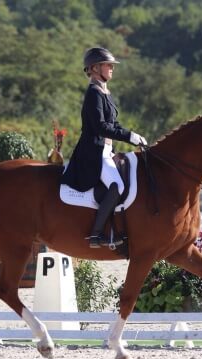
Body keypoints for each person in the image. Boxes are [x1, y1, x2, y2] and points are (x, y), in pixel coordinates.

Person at [61, 47, 148, 248]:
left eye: (111, 65)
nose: (112, 69)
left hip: (106, 151)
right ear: (94, 68)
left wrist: (134, 137)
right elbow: (101, 127)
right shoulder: (93, 93)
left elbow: (114, 125)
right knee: (117, 186)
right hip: (93, 152)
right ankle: (96, 234)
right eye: (108, 65)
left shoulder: (104, 92)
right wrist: (129, 136)